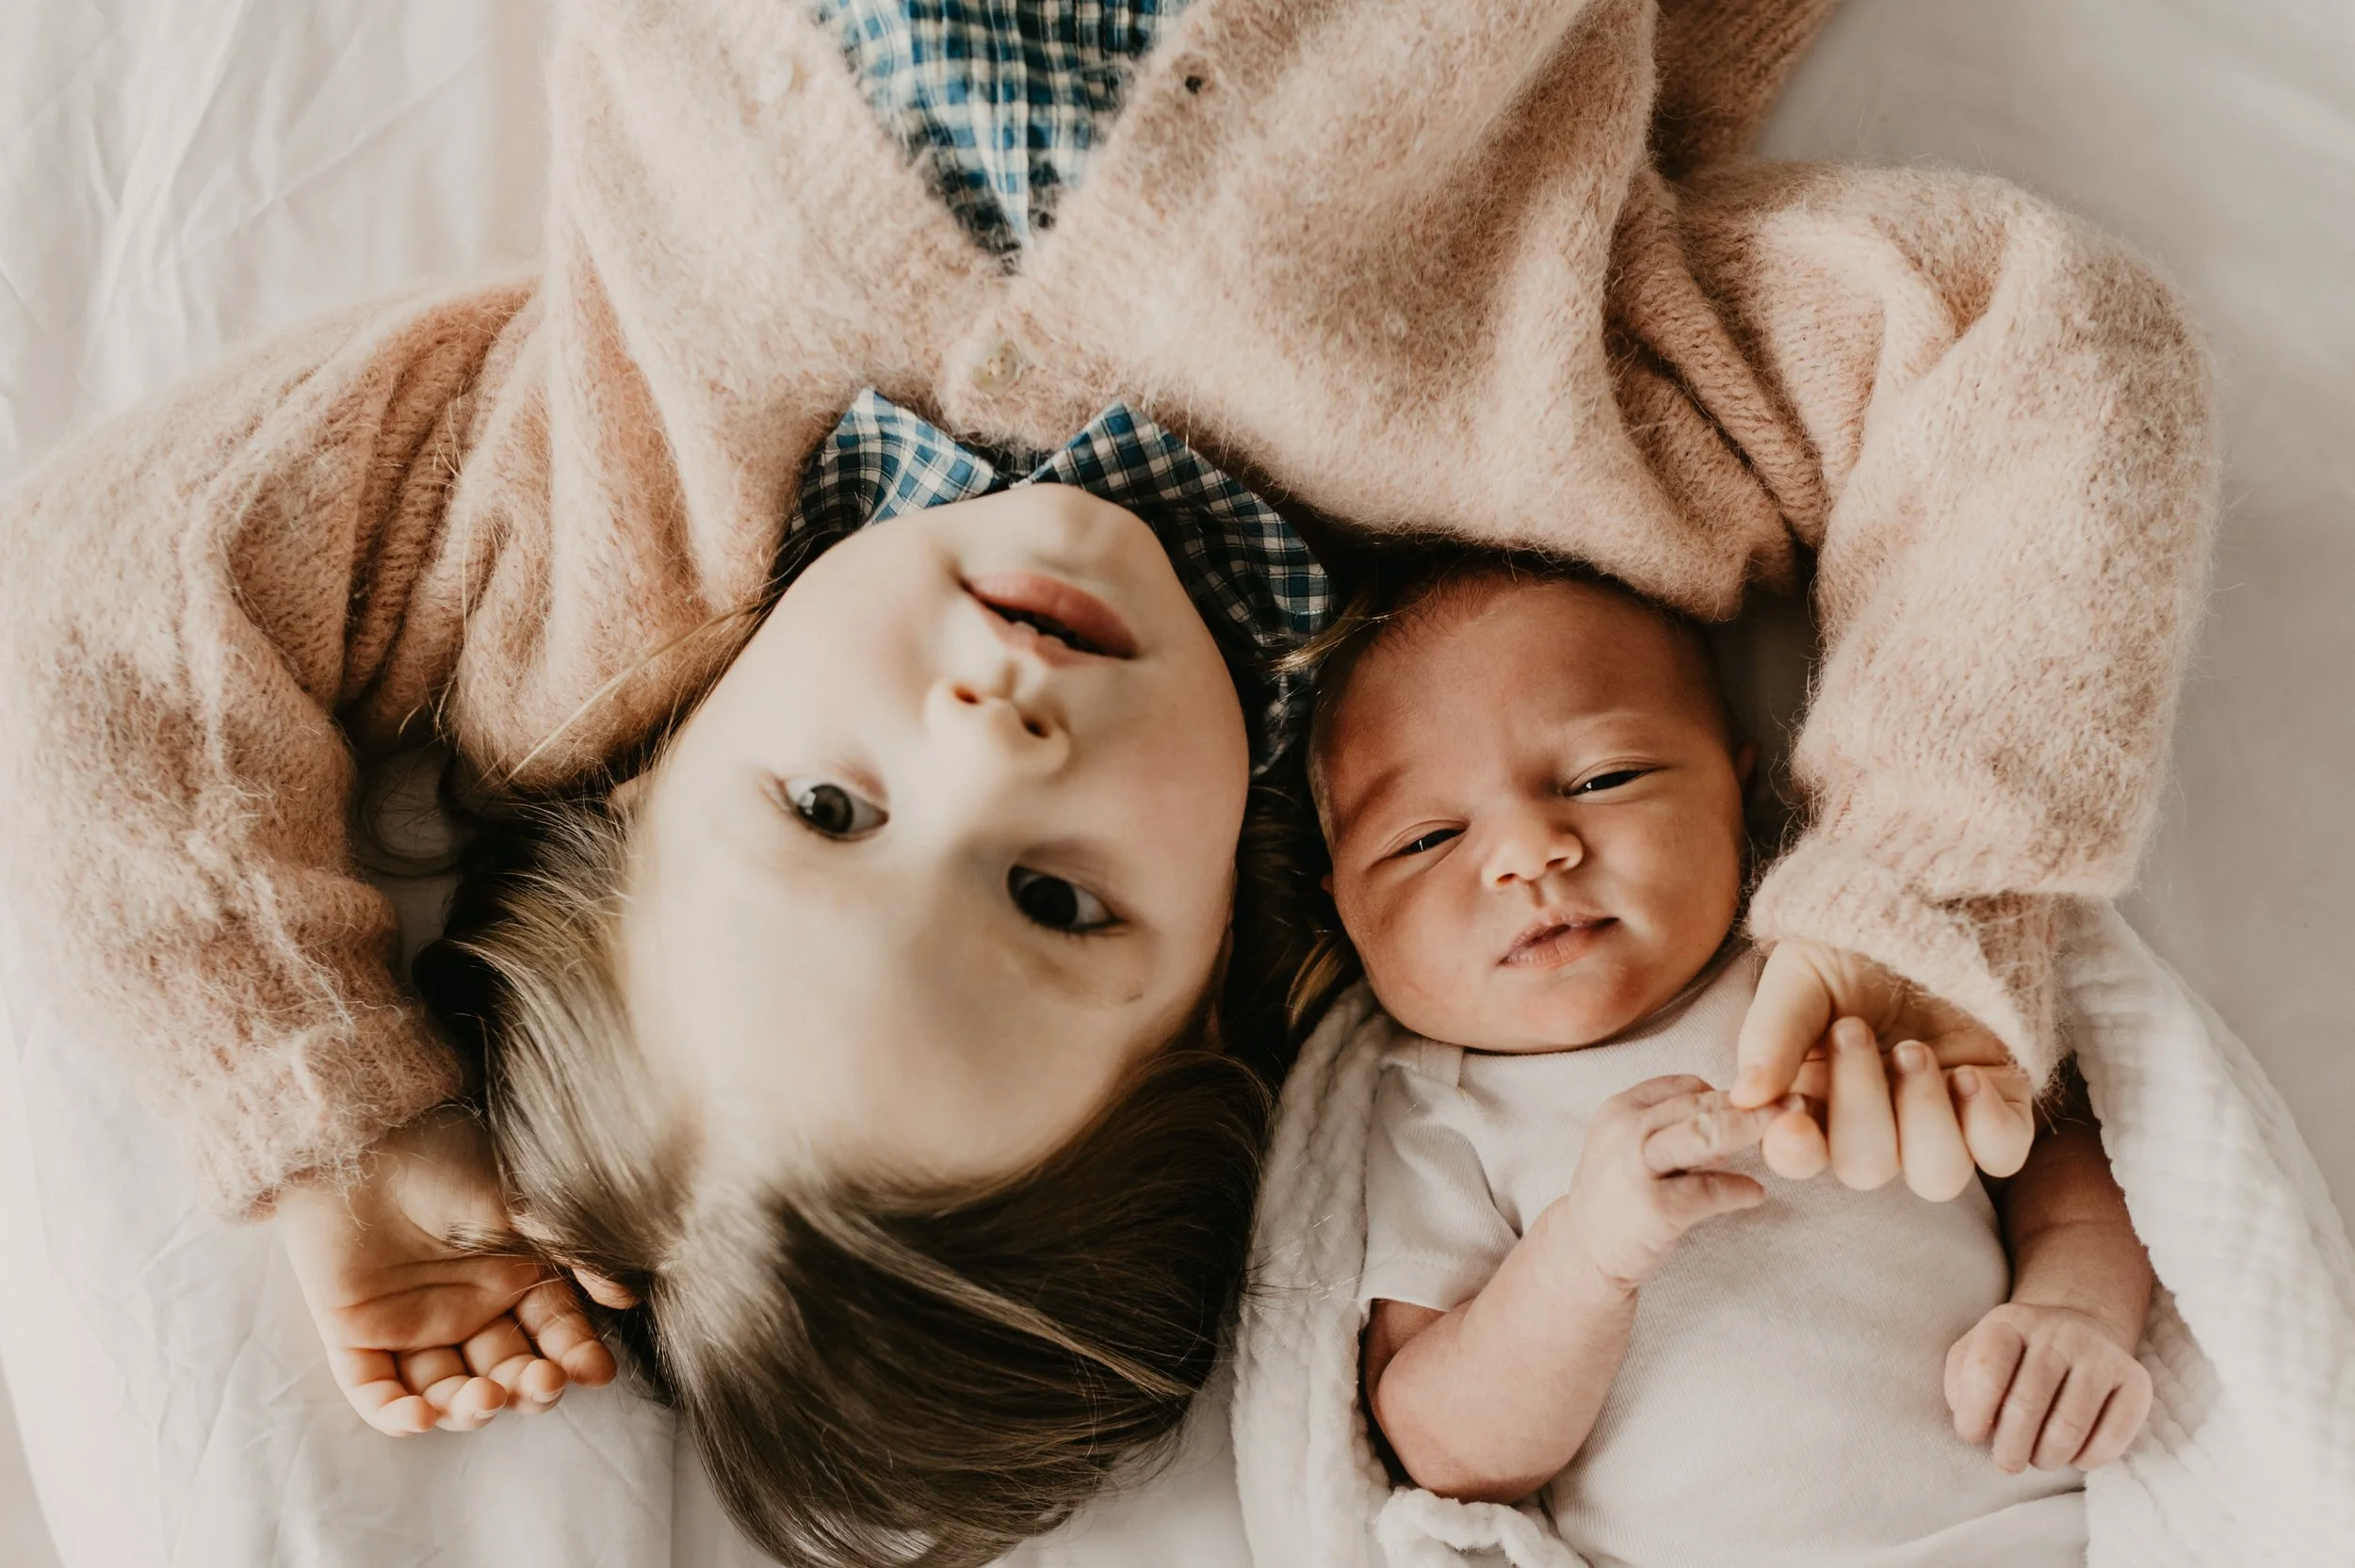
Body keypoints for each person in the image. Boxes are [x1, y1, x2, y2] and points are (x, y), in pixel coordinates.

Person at [0, 3, 2214, 1565]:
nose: (988, 741)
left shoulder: (585, 547)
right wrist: (1931, 865)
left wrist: (327, 1125)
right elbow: (2030, 353)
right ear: (1238, 978)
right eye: (1061, 902)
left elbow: (103, 613)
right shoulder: (1547, 484)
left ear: (652, 776)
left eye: (828, 811)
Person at [1313, 559, 2154, 1565]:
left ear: (1736, 785)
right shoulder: (1434, 1107)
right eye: (1425, 839)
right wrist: (1581, 1258)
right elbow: (1439, 1442)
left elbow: (2057, 1143)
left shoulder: (1833, 963)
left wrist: (2074, 1308)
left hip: (2027, 1529)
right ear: (1340, 907)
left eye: (1602, 779)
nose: (1528, 852)